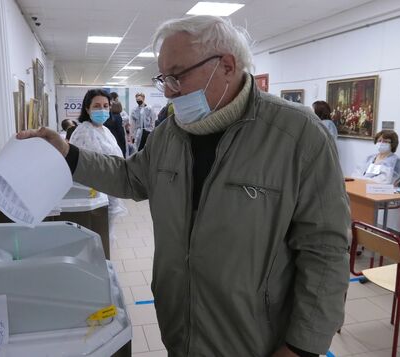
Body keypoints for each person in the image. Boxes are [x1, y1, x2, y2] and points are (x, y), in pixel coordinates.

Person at [18, 15, 349, 357]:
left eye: (177, 76)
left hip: (256, 340)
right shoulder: (170, 134)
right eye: (163, 77)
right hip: (181, 329)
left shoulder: (297, 136)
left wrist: (302, 347)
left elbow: (325, 248)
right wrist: (67, 154)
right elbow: (130, 177)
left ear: (227, 66)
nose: (167, 90)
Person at [68, 89, 128, 229]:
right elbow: (82, 168)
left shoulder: (104, 130)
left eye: (105, 106)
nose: (102, 110)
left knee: (107, 233)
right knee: (98, 234)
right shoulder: (83, 132)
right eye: (96, 106)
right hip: (95, 197)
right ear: (87, 109)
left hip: (110, 191)